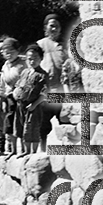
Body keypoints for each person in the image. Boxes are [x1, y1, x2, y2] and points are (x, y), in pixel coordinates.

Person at [12, 44, 49, 154]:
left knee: (32, 128)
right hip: (21, 105)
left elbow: (44, 93)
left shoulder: (42, 75)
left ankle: (33, 152)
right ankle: (25, 151)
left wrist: (34, 105)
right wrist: (15, 93)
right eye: (30, 59)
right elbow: (18, 86)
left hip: (33, 106)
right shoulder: (25, 72)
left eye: (35, 58)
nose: (32, 61)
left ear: (41, 58)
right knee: (21, 127)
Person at [37, 14, 66, 149]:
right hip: (45, 91)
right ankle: (43, 151)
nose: (54, 29)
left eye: (57, 26)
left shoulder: (64, 46)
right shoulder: (40, 45)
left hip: (61, 91)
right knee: (43, 124)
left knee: (65, 122)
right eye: (52, 26)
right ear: (45, 28)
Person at [0, 38, 26, 155]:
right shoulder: (5, 66)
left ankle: (24, 150)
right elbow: (2, 83)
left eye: (11, 50)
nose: (8, 54)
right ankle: (12, 150)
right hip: (9, 98)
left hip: (21, 98)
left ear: (18, 50)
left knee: (21, 123)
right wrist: (0, 96)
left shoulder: (23, 64)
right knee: (9, 123)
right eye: (5, 51)